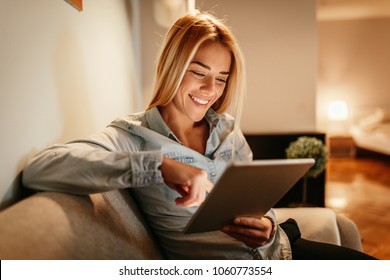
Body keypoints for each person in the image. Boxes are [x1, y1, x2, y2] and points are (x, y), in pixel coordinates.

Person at [22, 11, 376, 260]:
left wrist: (267, 226)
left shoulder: (227, 129)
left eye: (222, 78)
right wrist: (158, 165)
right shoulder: (133, 134)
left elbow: (257, 206)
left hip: (277, 254)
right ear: (173, 67)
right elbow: (41, 168)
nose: (211, 89)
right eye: (199, 72)